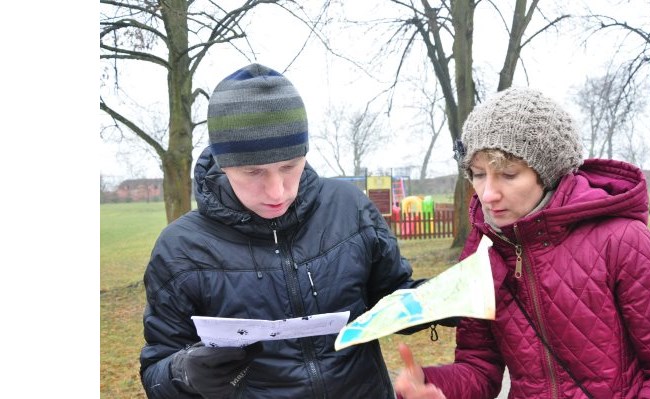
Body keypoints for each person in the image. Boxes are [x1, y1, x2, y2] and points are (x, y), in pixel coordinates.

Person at [139, 63, 439, 398]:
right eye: (253, 172)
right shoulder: (181, 248)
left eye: (289, 166)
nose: (277, 191)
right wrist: (184, 373)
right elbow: (156, 371)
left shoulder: (349, 208)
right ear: (225, 165)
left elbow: (393, 297)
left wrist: (445, 299)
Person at [394, 87, 650, 399]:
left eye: (508, 174)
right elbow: (479, 367)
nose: (487, 194)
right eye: (477, 174)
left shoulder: (624, 242)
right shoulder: (482, 250)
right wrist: (433, 385)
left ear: (549, 173)